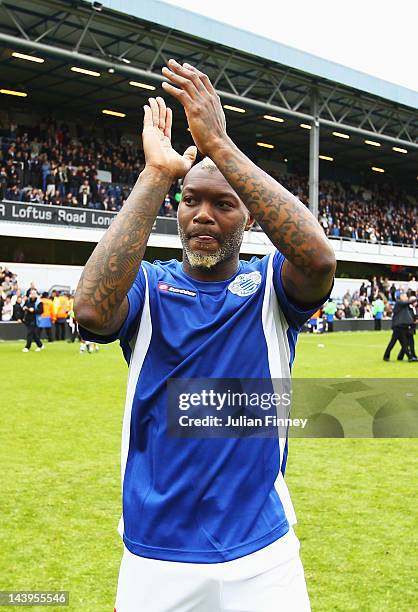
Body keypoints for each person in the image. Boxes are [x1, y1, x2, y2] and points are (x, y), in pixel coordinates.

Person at [74, 60, 335, 612]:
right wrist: (158, 174)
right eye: (191, 200)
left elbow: (318, 258)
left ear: (249, 215)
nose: (203, 215)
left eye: (223, 203)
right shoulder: (146, 286)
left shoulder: (270, 286)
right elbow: (92, 311)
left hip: (261, 553)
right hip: (157, 553)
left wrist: (217, 143)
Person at [383, 293, 418, 362]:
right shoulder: (399, 303)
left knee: (401, 342)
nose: (406, 298)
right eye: (405, 296)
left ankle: (409, 357)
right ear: (401, 297)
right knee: (398, 342)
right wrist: (416, 299)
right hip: (398, 326)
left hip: (401, 326)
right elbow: (409, 302)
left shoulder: (404, 305)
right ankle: (409, 357)